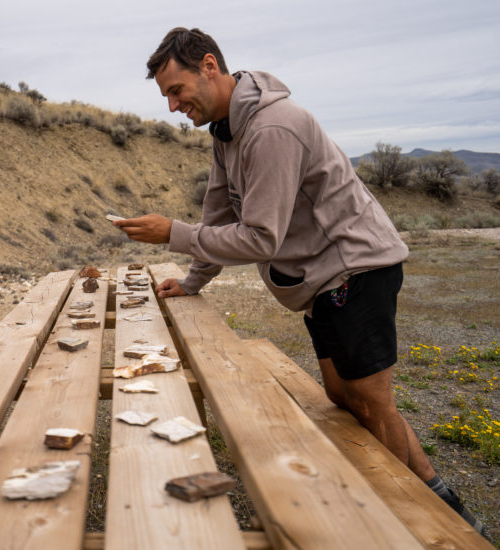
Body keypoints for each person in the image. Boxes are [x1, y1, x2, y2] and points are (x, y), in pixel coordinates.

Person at [114, 26, 484, 535]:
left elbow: (261, 238)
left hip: (357, 269)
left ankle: (414, 527)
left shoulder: (271, 128)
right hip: (324, 281)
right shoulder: (227, 131)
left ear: (209, 67)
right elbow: (219, 214)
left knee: (374, 408)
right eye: (166, 97)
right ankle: (437, 494)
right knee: (341, 396)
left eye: (177, 91)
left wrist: (172, 234)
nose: (174, 106)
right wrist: (193, 279)